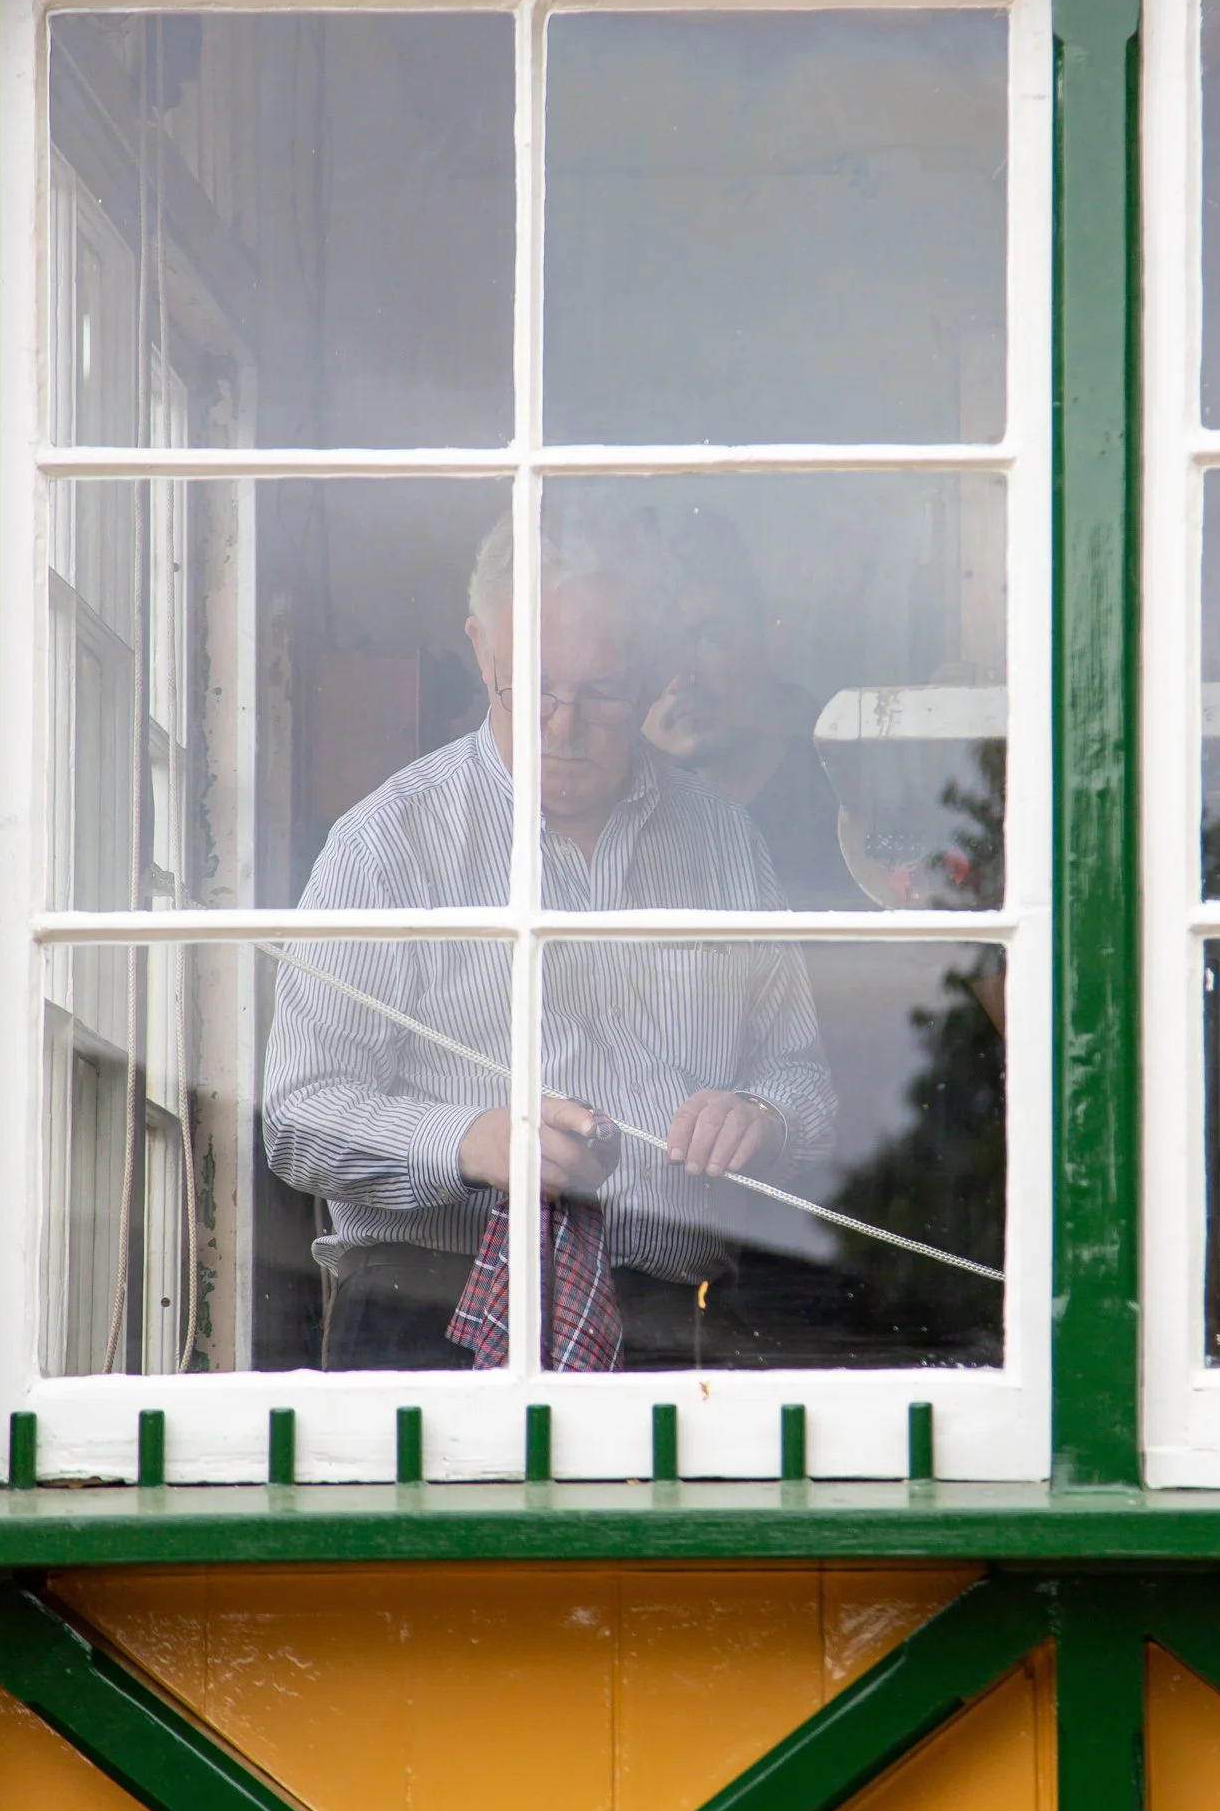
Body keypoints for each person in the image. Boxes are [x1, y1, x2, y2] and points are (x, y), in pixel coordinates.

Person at [262, 499, 836, 1371]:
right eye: (528, 686)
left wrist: (762, 1115)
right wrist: (469, 1141)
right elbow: (297, 1118)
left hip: (666, 1329)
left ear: (649, 673)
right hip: (428, 1318)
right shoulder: (388, 845)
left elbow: (804, 1083)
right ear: (480, 646)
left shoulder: (724, 842)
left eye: (599, 690)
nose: (561, 724)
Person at [641, 507, 858, 910]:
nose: (678, 675)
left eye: (710, 638)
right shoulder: (612, 805)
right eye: (654, 648)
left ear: (773, 641)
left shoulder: (851, 799)